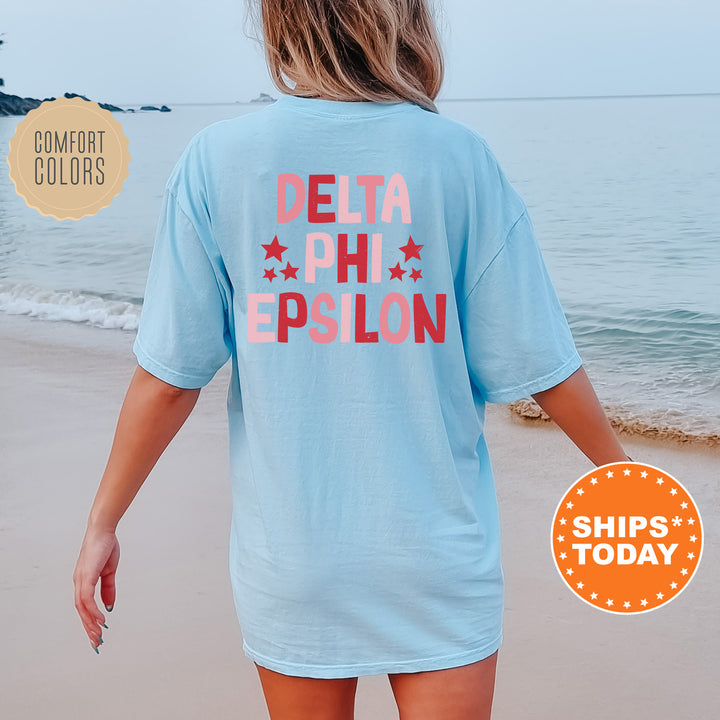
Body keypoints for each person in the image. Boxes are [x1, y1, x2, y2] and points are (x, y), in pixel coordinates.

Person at [73, 1, 630, 718]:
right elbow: (542, 362)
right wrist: (623, 479)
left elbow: (169, 379)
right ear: (405, 20)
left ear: (280, 22)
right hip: (435, 557)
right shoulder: (458, 158)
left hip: (295, 558)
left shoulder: (217, 161)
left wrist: (102, 522)